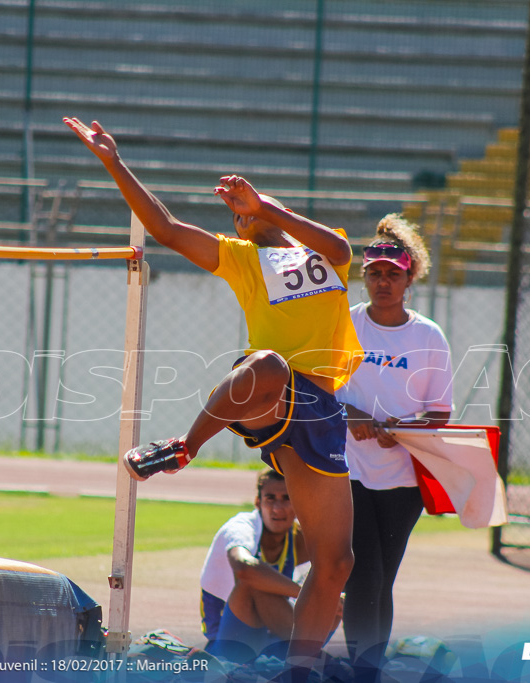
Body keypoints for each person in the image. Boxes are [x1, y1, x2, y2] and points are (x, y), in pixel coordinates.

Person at [64, 117, 362, 678]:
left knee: (336, 563)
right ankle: (184, 445)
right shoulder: (241, 257)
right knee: (271, 365)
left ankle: (298, 670)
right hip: (269, 393)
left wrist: (268, 209)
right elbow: (167, 227)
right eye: (237, 213)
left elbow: (341, 243)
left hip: (322, 410)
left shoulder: (324, 254)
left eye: (246, 208)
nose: (240, 214)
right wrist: (112, 160)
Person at [335, 214, 454, 678]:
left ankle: (370, 666)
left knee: (382, 578)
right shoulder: (344, 326)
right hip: (347, 468)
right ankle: (363, 669)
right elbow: (320, 392)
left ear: (410, 277)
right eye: (375, 273)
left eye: (393, 274)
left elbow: (439, 412)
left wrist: (402, 427)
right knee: (361, 571)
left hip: (404, 475)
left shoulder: (428, 336)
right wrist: (354, 415)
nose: (383, 282)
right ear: (363, 277)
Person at [200, 470, 313, 663]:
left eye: (287, 498)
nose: (277, 508)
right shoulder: (240, 527)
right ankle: (314, 658)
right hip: (229, 645)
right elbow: (244, 567)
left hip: (273, 637)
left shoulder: (301, 537)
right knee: (253, 582)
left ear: (297, 503)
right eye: (270, 499)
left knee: (333, 593)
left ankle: (305, 658)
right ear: (258, 502)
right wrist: (308, 595)